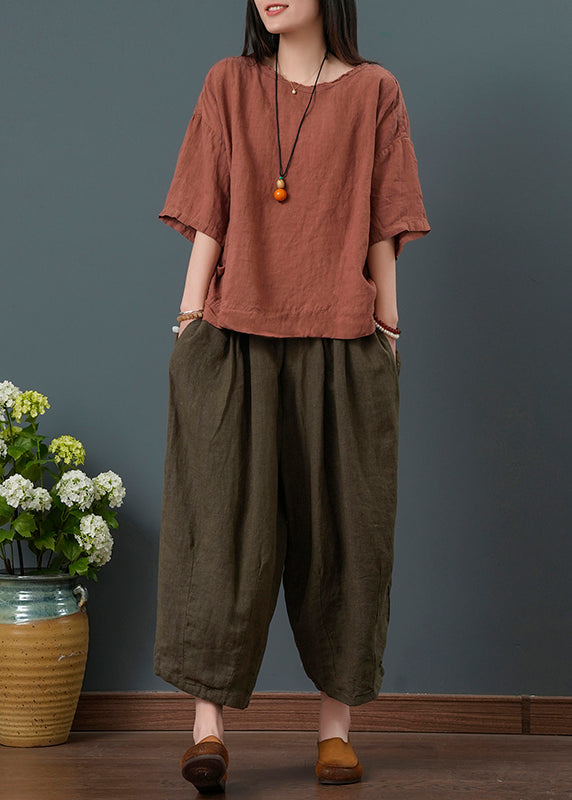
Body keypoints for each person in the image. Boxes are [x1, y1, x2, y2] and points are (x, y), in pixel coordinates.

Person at [153, 0, 430, 792]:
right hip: (234, 339)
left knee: (346, 535)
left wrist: (390, 329)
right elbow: (210, 207)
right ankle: (206, 730)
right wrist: (188, 319)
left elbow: (382, 220)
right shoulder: (229, 84)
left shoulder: (376, 92)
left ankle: (335, 733)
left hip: (342, 339)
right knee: (218, 534)